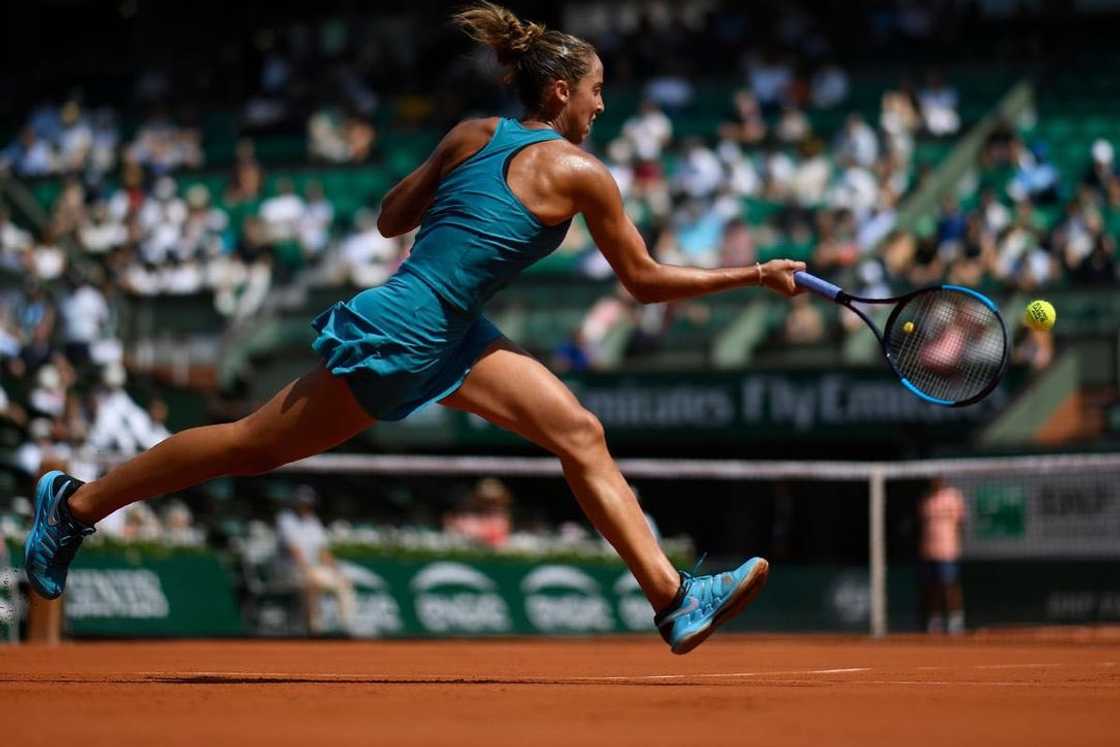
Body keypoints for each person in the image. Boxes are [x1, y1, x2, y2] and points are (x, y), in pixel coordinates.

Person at [23, 1, 805, 656]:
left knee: (578, 430)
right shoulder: (580, 172)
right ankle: (75, 507)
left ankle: (672, 598)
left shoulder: (472, 134)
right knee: (249, 444)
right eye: (597, 91)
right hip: (409, 327)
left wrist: (458, 194)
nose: (602, 106)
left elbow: (390, 214)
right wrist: (754, 274)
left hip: (454, 329)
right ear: (561, 89)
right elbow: (642, 279)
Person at [276, 485, 357, 635]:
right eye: (302, 503)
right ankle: (314, 629)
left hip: (312, 570)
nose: (305, 506)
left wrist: (335, 569)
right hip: (289, 570)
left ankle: (347, 626)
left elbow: (323, 551)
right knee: (312, 581)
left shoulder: (313, 521)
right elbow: (295, 551)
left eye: (308, 503)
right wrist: (307, 569)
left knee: (343, 581)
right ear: (295, 503)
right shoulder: (285, 519)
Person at [919, 478, 967, 634]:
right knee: (932, 588)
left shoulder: (953, 497)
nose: (936, 481)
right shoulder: (926, 499)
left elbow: (961, 523)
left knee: (950, 585)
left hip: (948, 552)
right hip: (929, 552)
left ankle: (955, 622)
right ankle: (935, 622)